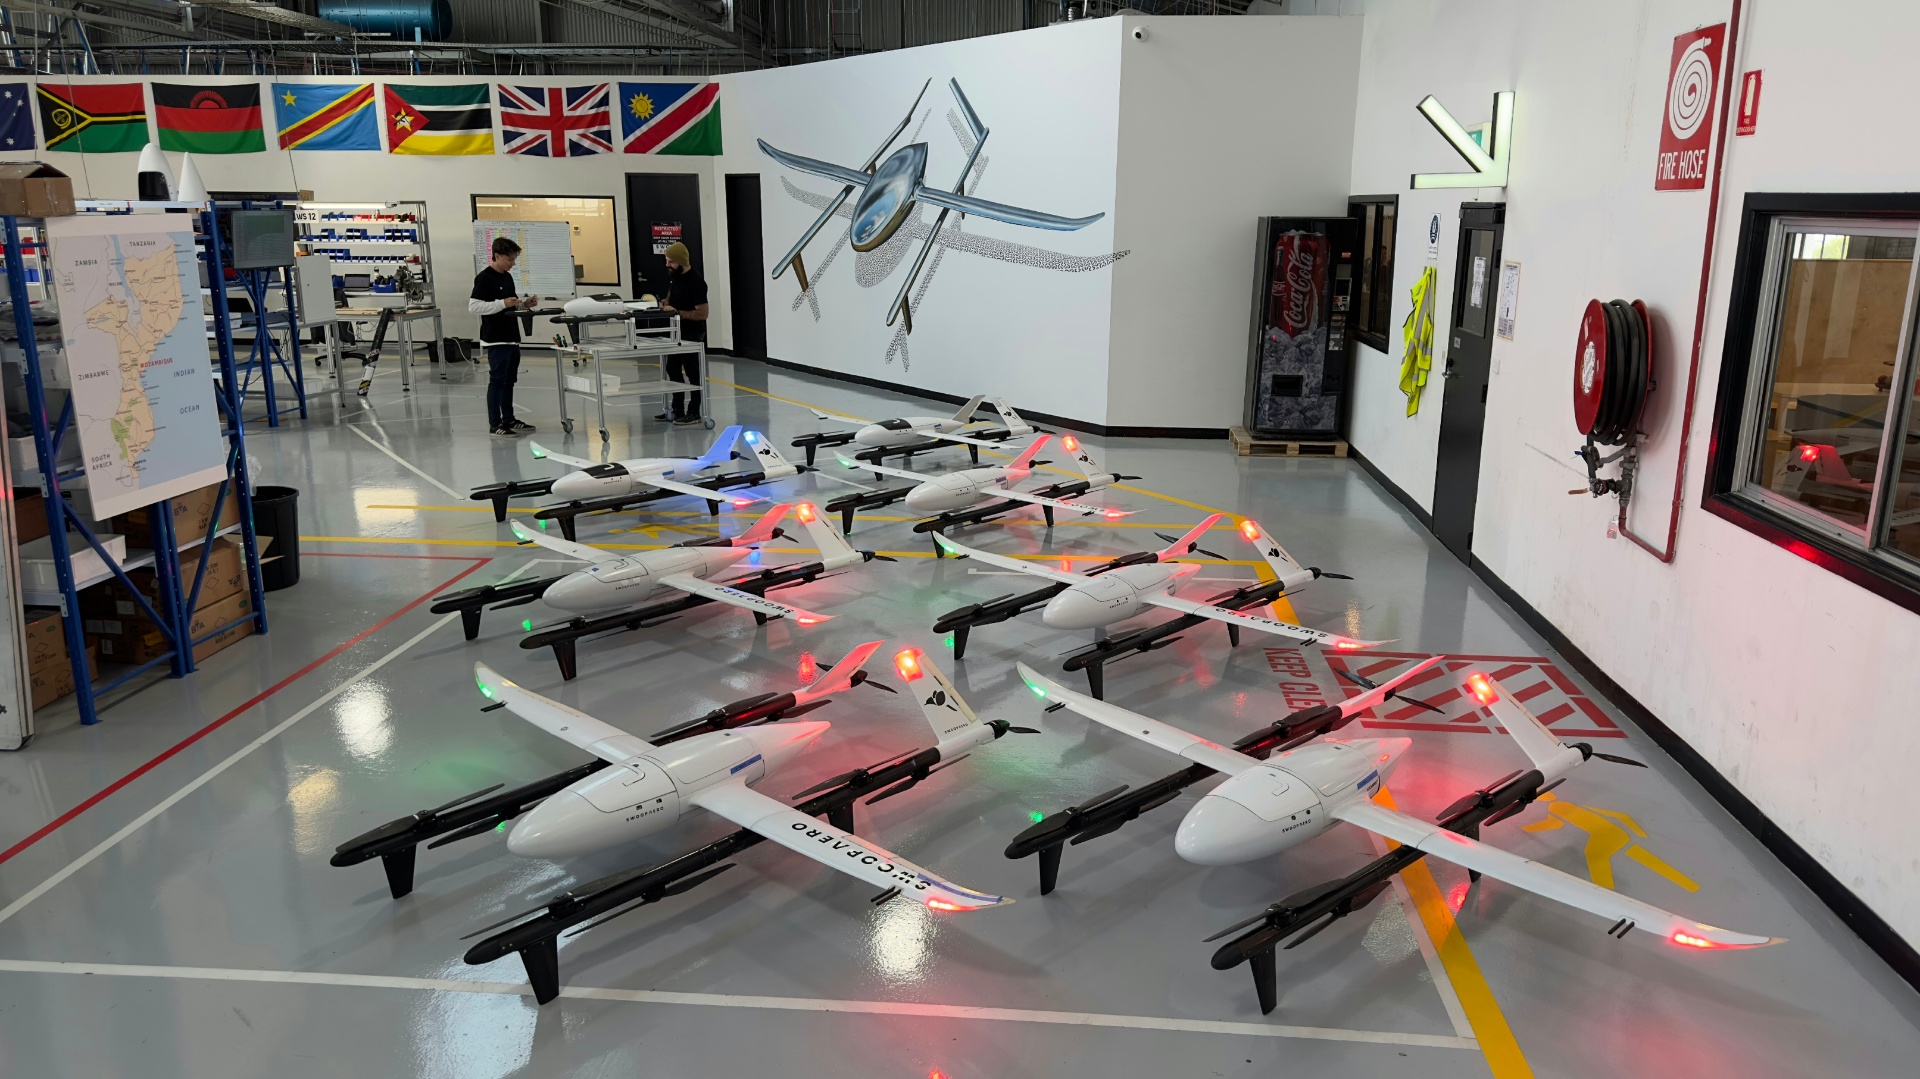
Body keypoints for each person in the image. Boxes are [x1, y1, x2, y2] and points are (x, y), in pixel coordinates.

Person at [470, 237, 535, 437]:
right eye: (510, 259)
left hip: (511, 336)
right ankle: (495, 423)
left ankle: (509, 418)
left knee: (509, 380)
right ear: (497, 256)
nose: (513, 264)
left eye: (514, 259)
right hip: (496, 337)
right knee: (497, 380)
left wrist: (524, 304)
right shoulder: (484, 278)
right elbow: (474, 307)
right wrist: (501, 303)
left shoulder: (507, 277)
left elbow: (510, 302)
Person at [655, 240, 708, 425]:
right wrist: (665, 302)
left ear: (681, 261)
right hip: (675, 333)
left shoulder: (697, 283)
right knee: (673, 369)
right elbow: (671, 298)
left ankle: (695, 412)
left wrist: (677, 312)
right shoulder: (676, 278)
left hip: (692, 334)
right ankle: (677, 409)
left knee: (693, 373)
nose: (667, 265)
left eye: (670, 261)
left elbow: (702, 313)